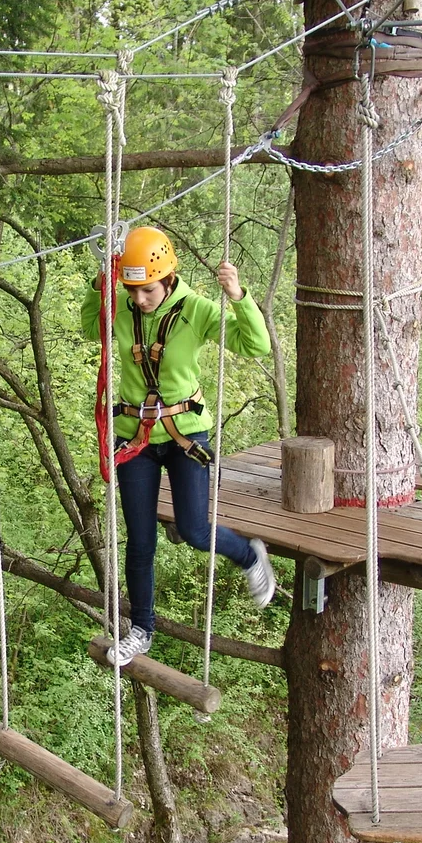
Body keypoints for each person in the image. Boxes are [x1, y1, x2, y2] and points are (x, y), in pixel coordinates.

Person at [81, 226, 276, 666]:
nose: (139, 300)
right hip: (135, 437)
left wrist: (239, 297)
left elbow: (256, 345)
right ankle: (141, 629)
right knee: (140, 539)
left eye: (146, 290)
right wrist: (101, 285)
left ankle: (249, 555)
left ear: (167, 279)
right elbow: (91, 328)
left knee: (192, 529)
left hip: (186, 434)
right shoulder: (125, 308)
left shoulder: (195, 310)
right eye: (131, 291)